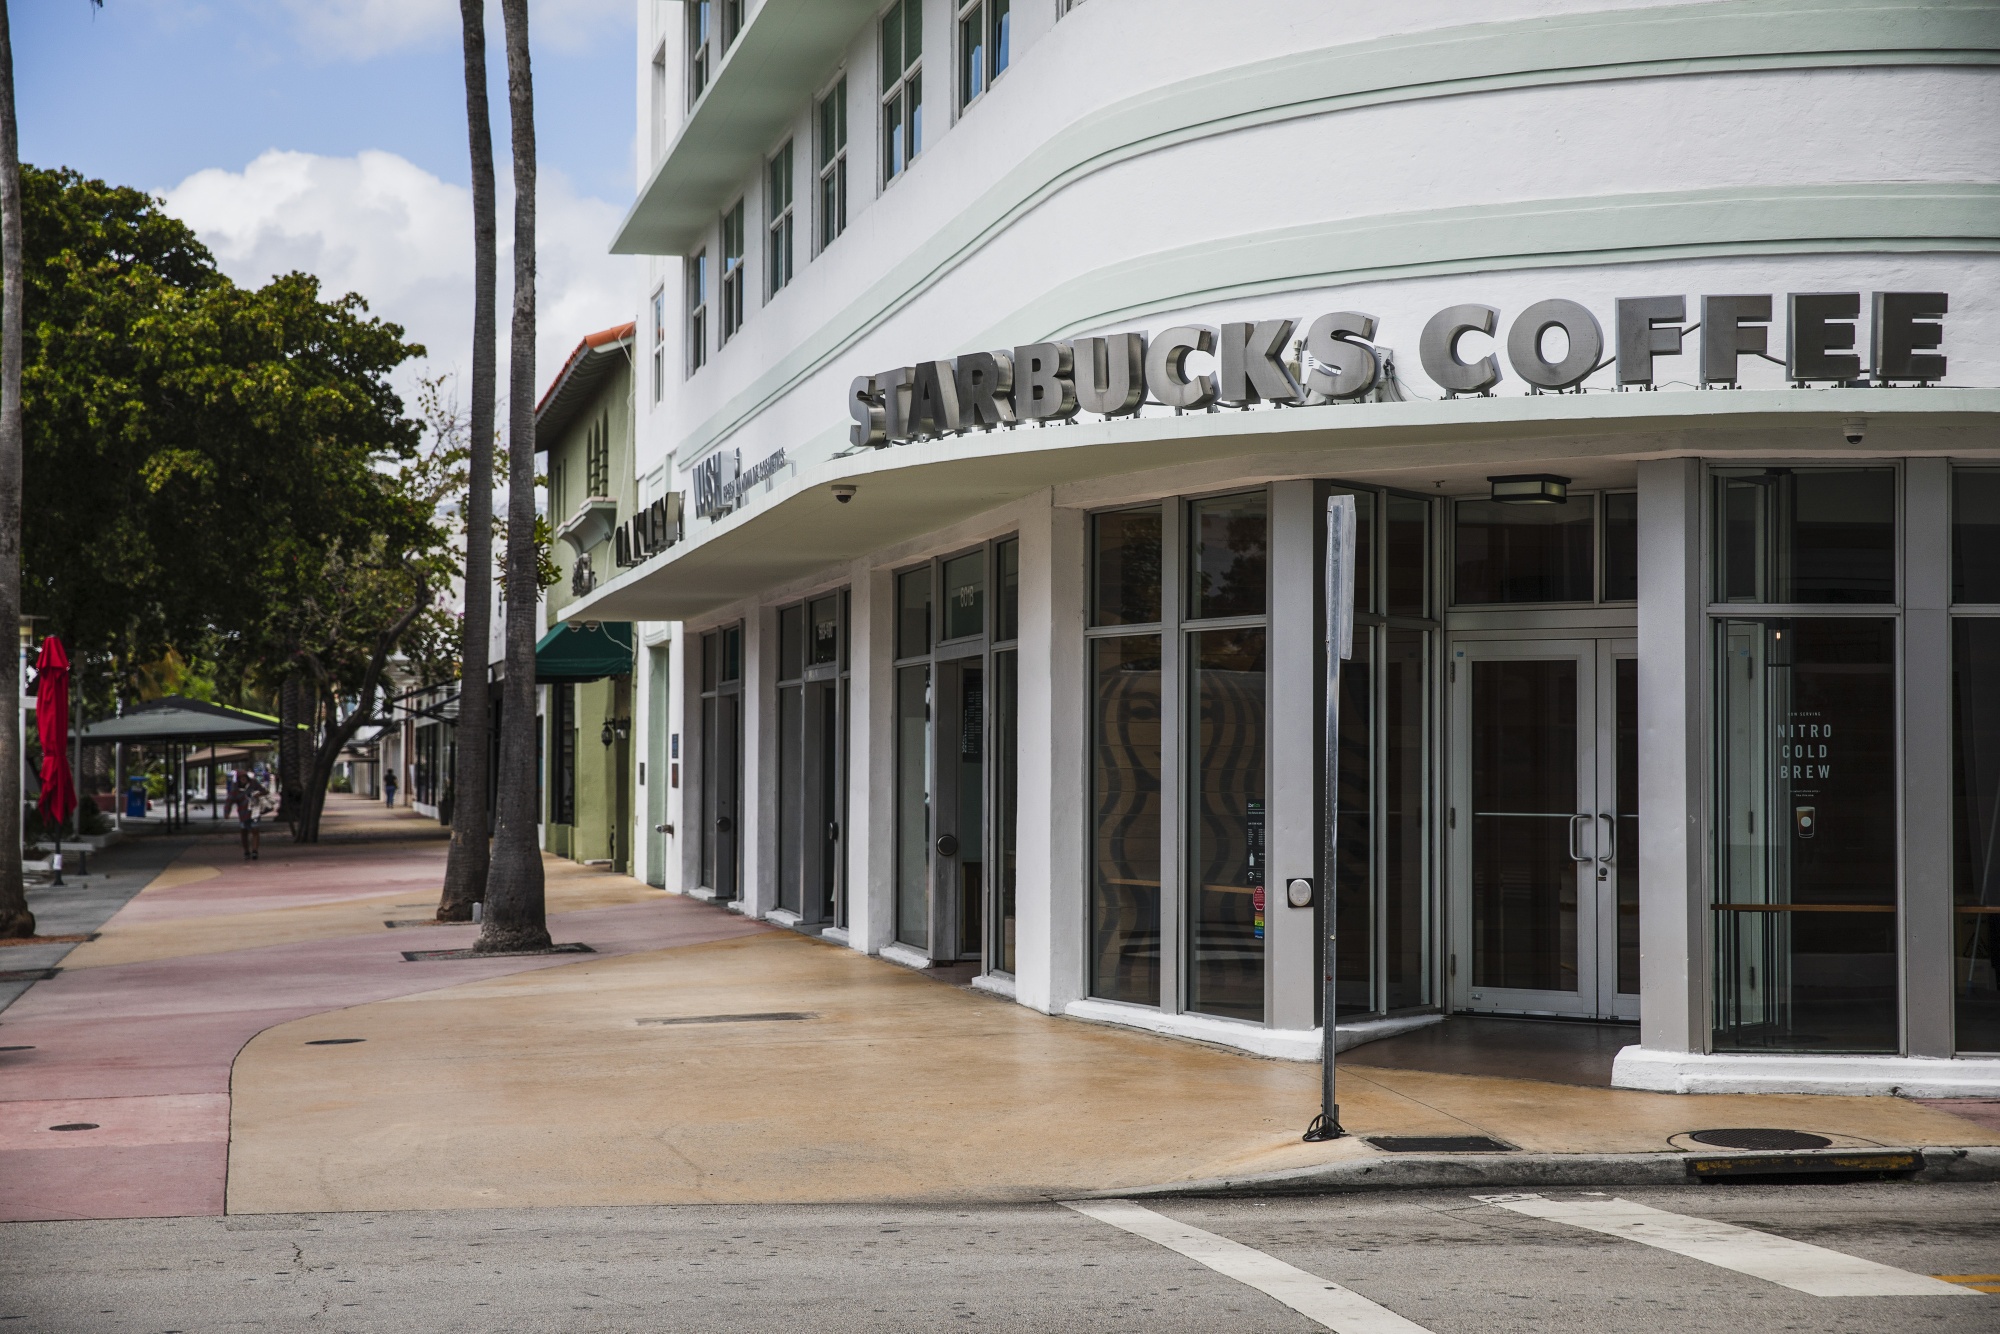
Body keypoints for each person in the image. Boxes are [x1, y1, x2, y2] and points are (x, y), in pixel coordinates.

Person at [231, 767, 267, 861]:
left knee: (255, 830)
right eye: (241, 778)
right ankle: (246, 851)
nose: (243, 780)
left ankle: (255, 851)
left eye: (244, 778)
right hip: (243, 813)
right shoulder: (235, 787)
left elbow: (264, 791)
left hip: (254, 811)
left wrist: (258, 794)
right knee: (244, 832)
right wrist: (227, 811)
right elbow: (231, 798)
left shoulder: (253, 783)